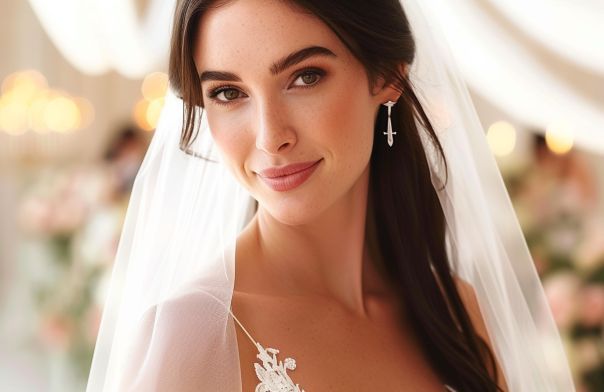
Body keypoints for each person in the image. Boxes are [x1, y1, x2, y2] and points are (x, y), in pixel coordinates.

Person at [85, 0, 576, 391]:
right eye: (229, 93)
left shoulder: (455, 312)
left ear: (388, 76)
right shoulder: (193, 334)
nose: (268, 137)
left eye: (305, 77)